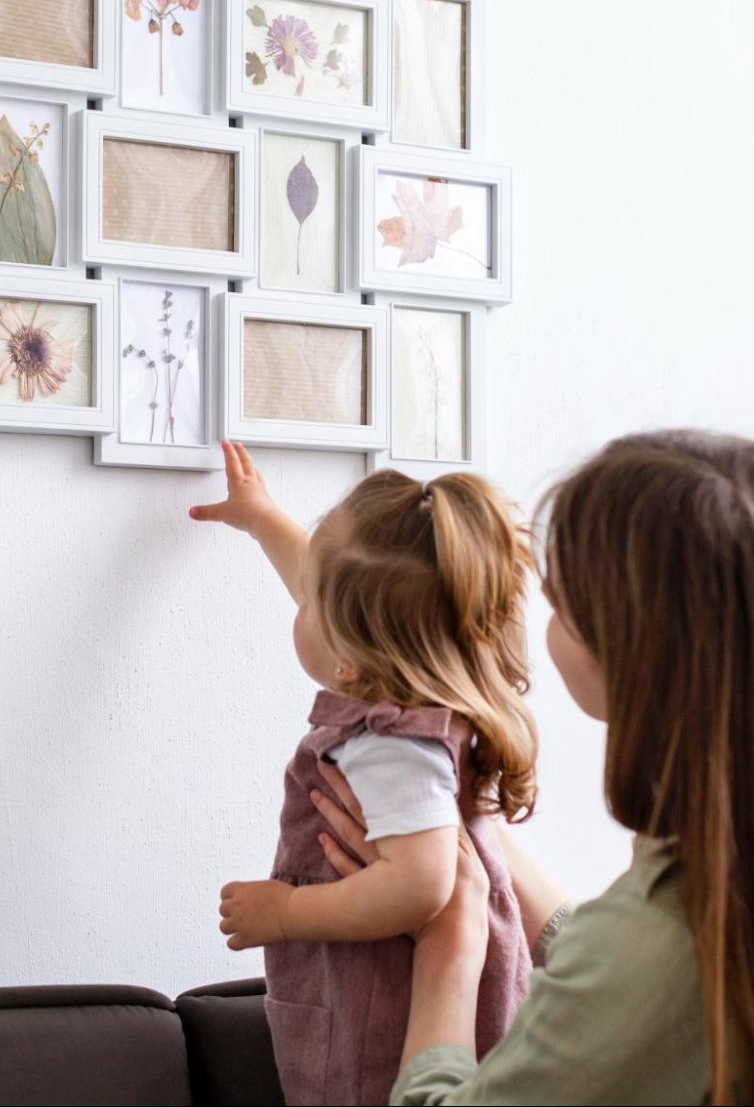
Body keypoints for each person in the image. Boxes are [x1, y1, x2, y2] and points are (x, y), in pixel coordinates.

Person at [312, 430, 754, 1105]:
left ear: (635, 659)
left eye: (564, 604)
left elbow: (641, 974)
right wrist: (476, 833)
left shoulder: (652, 951)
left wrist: (448, 946)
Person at [190, 441, 540, 1106]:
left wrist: (287, 911)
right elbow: (328, 588)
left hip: (386, 1018)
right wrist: (262, 517)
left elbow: (422, 883)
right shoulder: (415, 685)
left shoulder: (390, 744)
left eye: (308, 604)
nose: (300, 602)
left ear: (350, 658)